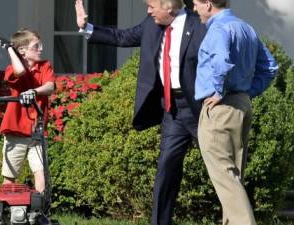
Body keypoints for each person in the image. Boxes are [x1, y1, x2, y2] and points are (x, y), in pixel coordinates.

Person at [75, 0, 206, 224]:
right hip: (172, 110)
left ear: (169, 8)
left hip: (200, 108)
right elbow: (121, 37)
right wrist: (87, 28)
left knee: (220, 166)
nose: (148, 10)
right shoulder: (151, 24)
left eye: (152, 5)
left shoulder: (201, 25)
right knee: (166, 169)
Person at [192, 0, 278, 224]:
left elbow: (221, 61)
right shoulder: (246, 27)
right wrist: (247, 92)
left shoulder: (219, 29)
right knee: (233, 175)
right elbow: (270, 67)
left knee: (226, 177)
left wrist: (220, 91)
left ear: (208, 4)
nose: (194, 9)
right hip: (240, 104)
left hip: (220, 107)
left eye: (196, 4)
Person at [0, 28, 55, 193]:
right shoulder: (11, 69)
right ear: (22, 50)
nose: (41, 49)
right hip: (16, 133)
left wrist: (34, 91)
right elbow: (20, 71)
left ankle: (40, 209)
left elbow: (50, 87)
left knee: (40, 171)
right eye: (36, 46)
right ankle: (5, 211)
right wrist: (9, 48)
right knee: (10, 176)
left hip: (36, 133)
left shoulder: (44, 66)